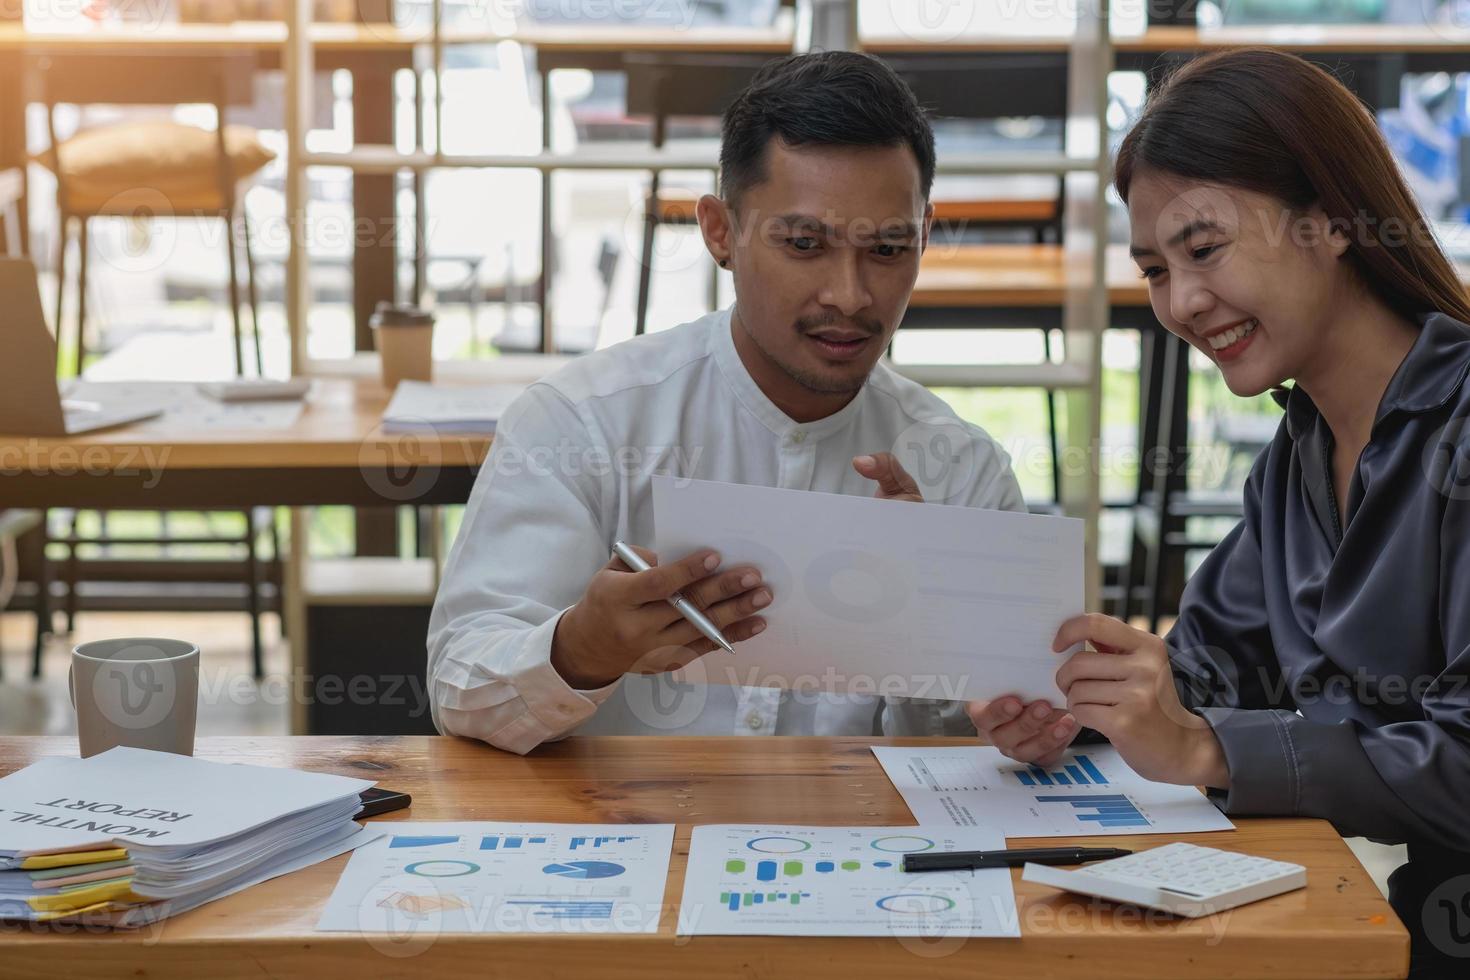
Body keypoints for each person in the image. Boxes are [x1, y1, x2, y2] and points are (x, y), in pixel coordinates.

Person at [966, 48, 1470, 976]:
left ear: (1329, 222)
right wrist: (1079, 709)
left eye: (1204, 249)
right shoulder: (1298, 456)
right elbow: (1205, 667)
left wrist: (1202, 747)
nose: (1183, 303)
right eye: (1156, 269)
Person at [429, 51, 1025, 755]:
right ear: (720, 231)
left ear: (924, 237)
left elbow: (987, 754)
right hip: (617, 847)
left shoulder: (962, 472)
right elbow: (459, 691)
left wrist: (940, 649)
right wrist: (580, 650)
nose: (851, 295)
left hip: (866, 857)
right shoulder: (582, 422)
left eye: (889, 249)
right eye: (805, 244)